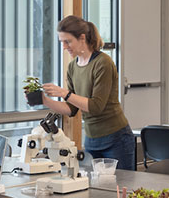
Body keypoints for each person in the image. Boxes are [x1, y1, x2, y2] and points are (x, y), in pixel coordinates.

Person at [40, 15, 135, 173]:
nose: (64, 47)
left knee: (121, 190)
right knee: (96, 190)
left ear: (82, 38)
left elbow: (96, 106)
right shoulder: (72, 67)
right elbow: (72, 109)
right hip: (92, 140)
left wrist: (64, 92)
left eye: (68, 41)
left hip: (116, 138)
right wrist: (44, 100)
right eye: (62, 42)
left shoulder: (103, 63)